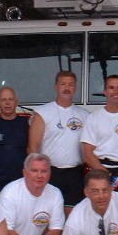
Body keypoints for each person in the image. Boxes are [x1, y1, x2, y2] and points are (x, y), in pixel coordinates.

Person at [27, 71, 89, 216]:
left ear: (75, 88)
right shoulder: (42, 112)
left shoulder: (85, 115)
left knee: (72, 217)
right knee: (47, 215)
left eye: (71, 84)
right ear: (56, 86)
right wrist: (37, 173)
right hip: (49, 172)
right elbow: (33, 147)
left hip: (75, 174)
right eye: (63, 84)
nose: (66, 88)